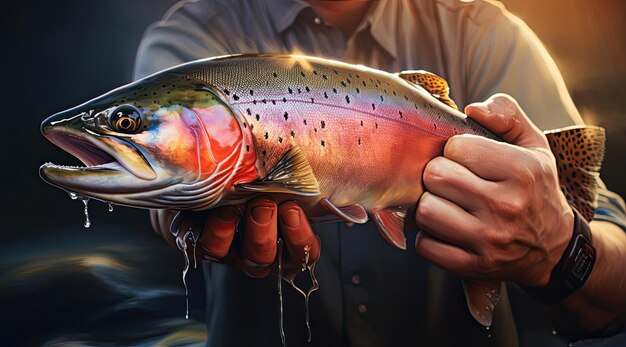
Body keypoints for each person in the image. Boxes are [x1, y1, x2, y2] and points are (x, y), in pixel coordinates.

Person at [134, 0, 626, 346]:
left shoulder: (483, 30)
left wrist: (562, 249)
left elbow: (614, 283)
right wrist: (184, 216)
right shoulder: (189, 40)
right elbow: (159, 185)